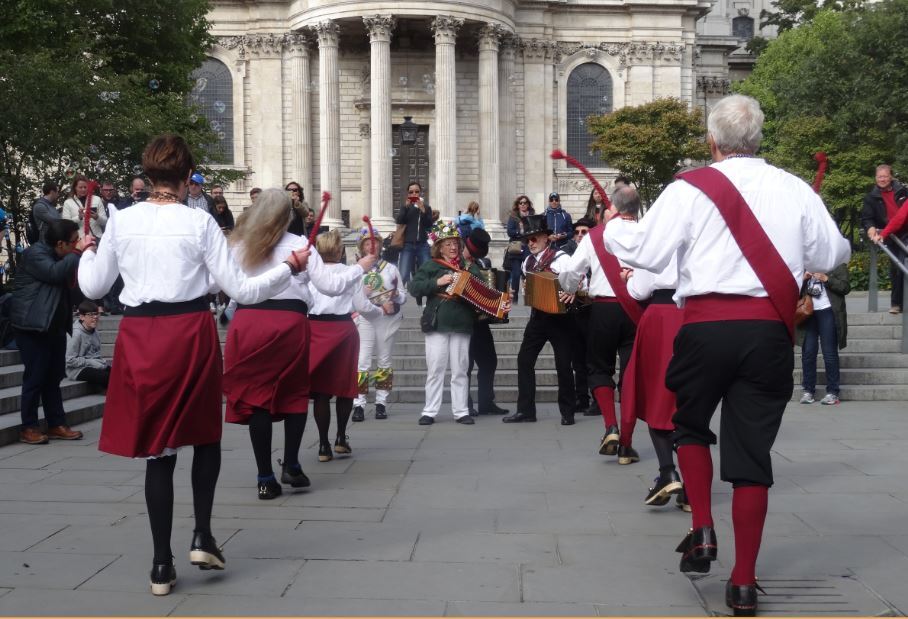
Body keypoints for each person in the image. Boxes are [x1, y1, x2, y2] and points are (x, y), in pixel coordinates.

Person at [603, 94, 850, 616]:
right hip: (767, 333)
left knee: (689, 425)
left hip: (705, 328)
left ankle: (702, 529)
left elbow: (643, 251)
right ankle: (742, 582)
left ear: (712, 142)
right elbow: (832, 253)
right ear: (759, 139)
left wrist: (614, 224)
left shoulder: (689, 188)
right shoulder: (795, 187)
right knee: (752, 458)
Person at [78, 134, 311, 596]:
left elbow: (93, 284)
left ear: (146, 176)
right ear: (188, 178)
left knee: (159, 451)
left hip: (141, 337)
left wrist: (88, 248)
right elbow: (242, 292)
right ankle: (202, 534)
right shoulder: (200, 223)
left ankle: (161, 565)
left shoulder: (122, 222)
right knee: (204, 437)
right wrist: (291, 267)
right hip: (188, 333)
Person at [223, 189, 375, 499]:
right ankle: (291, 463)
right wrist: (362, 266)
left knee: (257, 401)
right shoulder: (298, 245)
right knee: (293, 395)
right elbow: (330, 286)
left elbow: (218, 283)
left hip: (248, 324)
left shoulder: (238, 245)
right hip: (288, 323)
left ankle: (265, 477)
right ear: (287, 216)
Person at [559, 191, 642, 462]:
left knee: (598, 368)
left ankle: (611, 426)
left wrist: (570, 289)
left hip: (604, 309)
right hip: (638, 309)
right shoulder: (647, 232)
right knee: (630, 378)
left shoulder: (596, 236)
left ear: (614, 207)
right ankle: (627, 446)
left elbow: (571, 272)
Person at [618, 224, 687, 509]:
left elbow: (639, 290)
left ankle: (668, 471)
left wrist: (629, 278)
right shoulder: (698, 235)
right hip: (692, 315)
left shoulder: (655, 238)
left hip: (660, 318)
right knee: (686, 402)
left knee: (655, 396)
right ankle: (690, 493)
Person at [10, 218, 90, 445]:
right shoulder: (35, 254)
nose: (77, 244)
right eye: (74, 242)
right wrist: (78, 253)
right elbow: (54, 274)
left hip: (53, 326)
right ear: (61, 243)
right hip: (33, 326)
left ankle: (56, 424)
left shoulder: (61, 255)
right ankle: (29, 427)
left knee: (53, 378)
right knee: (35, 378)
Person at [308, 230, 383, 461]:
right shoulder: (351, 273)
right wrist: (380, 312)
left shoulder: (311, 274)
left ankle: (323, 445)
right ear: (340, 251)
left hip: (315, 330)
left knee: (321, 392)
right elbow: (362, 305)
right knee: (344, 388)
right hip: (342, 330)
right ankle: (341, 437)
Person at [503, 214, 578, 426]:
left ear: (547, 238)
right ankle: (526, 410)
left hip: (560, 319)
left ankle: (568, 411)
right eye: (528, 239)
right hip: (537, 317)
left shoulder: (562, 258)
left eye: (534, 238)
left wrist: (571, 291)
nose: (531, 243)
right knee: (524, 360)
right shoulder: (527, 261)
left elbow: (578, 281)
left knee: (563, 365)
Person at [409, 220, 484, 425]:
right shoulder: (431, 265)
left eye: (455, 244)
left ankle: (461, 411)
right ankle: (429, 411)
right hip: (437, 323)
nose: (453, 247)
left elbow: (482, 289)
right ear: (439, 247)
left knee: (460, 369)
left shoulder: (469, 267)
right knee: (435, 368)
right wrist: (437, 282)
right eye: (448, 244)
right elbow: (414, 287)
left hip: (462, 323)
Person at [352, 227, 407, 422]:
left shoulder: (391, 268)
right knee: (362, 361)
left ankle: (381, 403)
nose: (371, 246)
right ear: (362, 246)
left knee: (384, 361)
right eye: (367, 243)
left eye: (375, 243)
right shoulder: (356, 270)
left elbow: (403, 295)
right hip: (366, 318)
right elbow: (348, 296)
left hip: (386, 318)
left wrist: (396, 296)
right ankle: (358, 403)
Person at [462, 228, 508, 416]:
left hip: (480, 322)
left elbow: (490, 290)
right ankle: (464, 403)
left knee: (489, 361)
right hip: (463, 321)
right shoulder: (457, 264)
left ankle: (486, 402)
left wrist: (502, 300)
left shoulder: (482, 263)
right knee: (466, 364)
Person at [798, 263, 850, 406]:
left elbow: (845, 287)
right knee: (808, 352)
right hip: (808, 312)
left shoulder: (837, 263)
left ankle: (833, 392)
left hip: (828, 311)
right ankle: (808, 391)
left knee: (829, 353)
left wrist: (827, 279)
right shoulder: (804, 263)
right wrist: (802, 279)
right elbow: (789, 289)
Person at [864, 165, 908, 313]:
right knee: (896, 268)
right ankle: (896, 303)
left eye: (885, 176)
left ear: (891, 177)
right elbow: (867, 218)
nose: (882, 179)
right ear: (875, 178)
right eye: (879, 177)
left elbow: (900, 218)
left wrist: (882, 234)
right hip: (891, 236)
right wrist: (871, 230)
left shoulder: (903, 191)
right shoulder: (871, 197)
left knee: (904, 263)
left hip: (904, 232)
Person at [565, 217, 595, 414]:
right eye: (577, 232)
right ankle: (581, 397)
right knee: (577, 359)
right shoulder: (568, 255)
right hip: (575, 312)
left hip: (593, 311)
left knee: (593, 359)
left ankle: (599, 401)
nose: (579, 236)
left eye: (584, 232)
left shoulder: (598, 254)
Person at [65, 300, 111, 389]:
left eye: (97, 314)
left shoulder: (94, 331)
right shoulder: (75, 334)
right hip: (77, 370)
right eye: (91, 315)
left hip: (93, 364)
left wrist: (99, 362)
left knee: (118, 373)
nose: (95, 317)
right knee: (107, 377)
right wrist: (92, 362)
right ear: (82, 317)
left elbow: (96, 354)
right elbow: (69, 360)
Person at [395, 181, 434, 286]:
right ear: (408, 194)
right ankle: (396, 301)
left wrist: (423, 210)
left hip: (422, 244)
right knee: (403, 275)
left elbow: (429, 224)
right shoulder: (406, 207)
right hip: (407, 244)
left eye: (416, 191)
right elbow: (399, 221)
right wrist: (405, 208)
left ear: (420, 193)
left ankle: (426, 297)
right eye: (411, 192)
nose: (414, 194)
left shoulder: (426, 207)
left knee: (428, 273)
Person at [505, 195, 534, 302]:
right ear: (518, 205)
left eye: (525, 202)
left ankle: (530, 296)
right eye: (521, 203)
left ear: (528, 204)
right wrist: (520, 231)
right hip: (516, 246)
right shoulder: (513, 217)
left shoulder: (531, 216)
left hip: (528, 246)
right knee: (516, 274)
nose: (523, 205)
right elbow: (510, 231)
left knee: (529, 272)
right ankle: (515, 297)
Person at [62, 174, 108, 239]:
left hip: (95, 238)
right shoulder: (68, 203)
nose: (83, 189)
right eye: (80, 187)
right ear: (75, 188)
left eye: (85, 187)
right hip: (78, 241)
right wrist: (79, 217)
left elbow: (105, 222)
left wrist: (97, 217)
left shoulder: (97, 199)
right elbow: (65, 225)